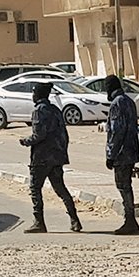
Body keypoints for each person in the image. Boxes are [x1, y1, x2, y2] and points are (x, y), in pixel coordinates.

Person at [21, 81, 81, 233]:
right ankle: (75, 219)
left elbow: (39, 135)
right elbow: (64, 135)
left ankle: (39, 222)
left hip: (41, 158)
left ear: (38, 95)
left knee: (35, 189)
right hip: (56, 157)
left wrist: (26, 141)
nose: (32, 96)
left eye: (34, 93)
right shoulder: (55, 110)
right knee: (61, 189)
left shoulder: (39, 111)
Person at [104, 74, 139, 235]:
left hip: (122, 154)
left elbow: (117, 132)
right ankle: (130, 219)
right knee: (126, 186)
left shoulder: (117, 104)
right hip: (131, 151)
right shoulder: (129, 101)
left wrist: (110, 154)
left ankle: (130, 220)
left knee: (123, 186)